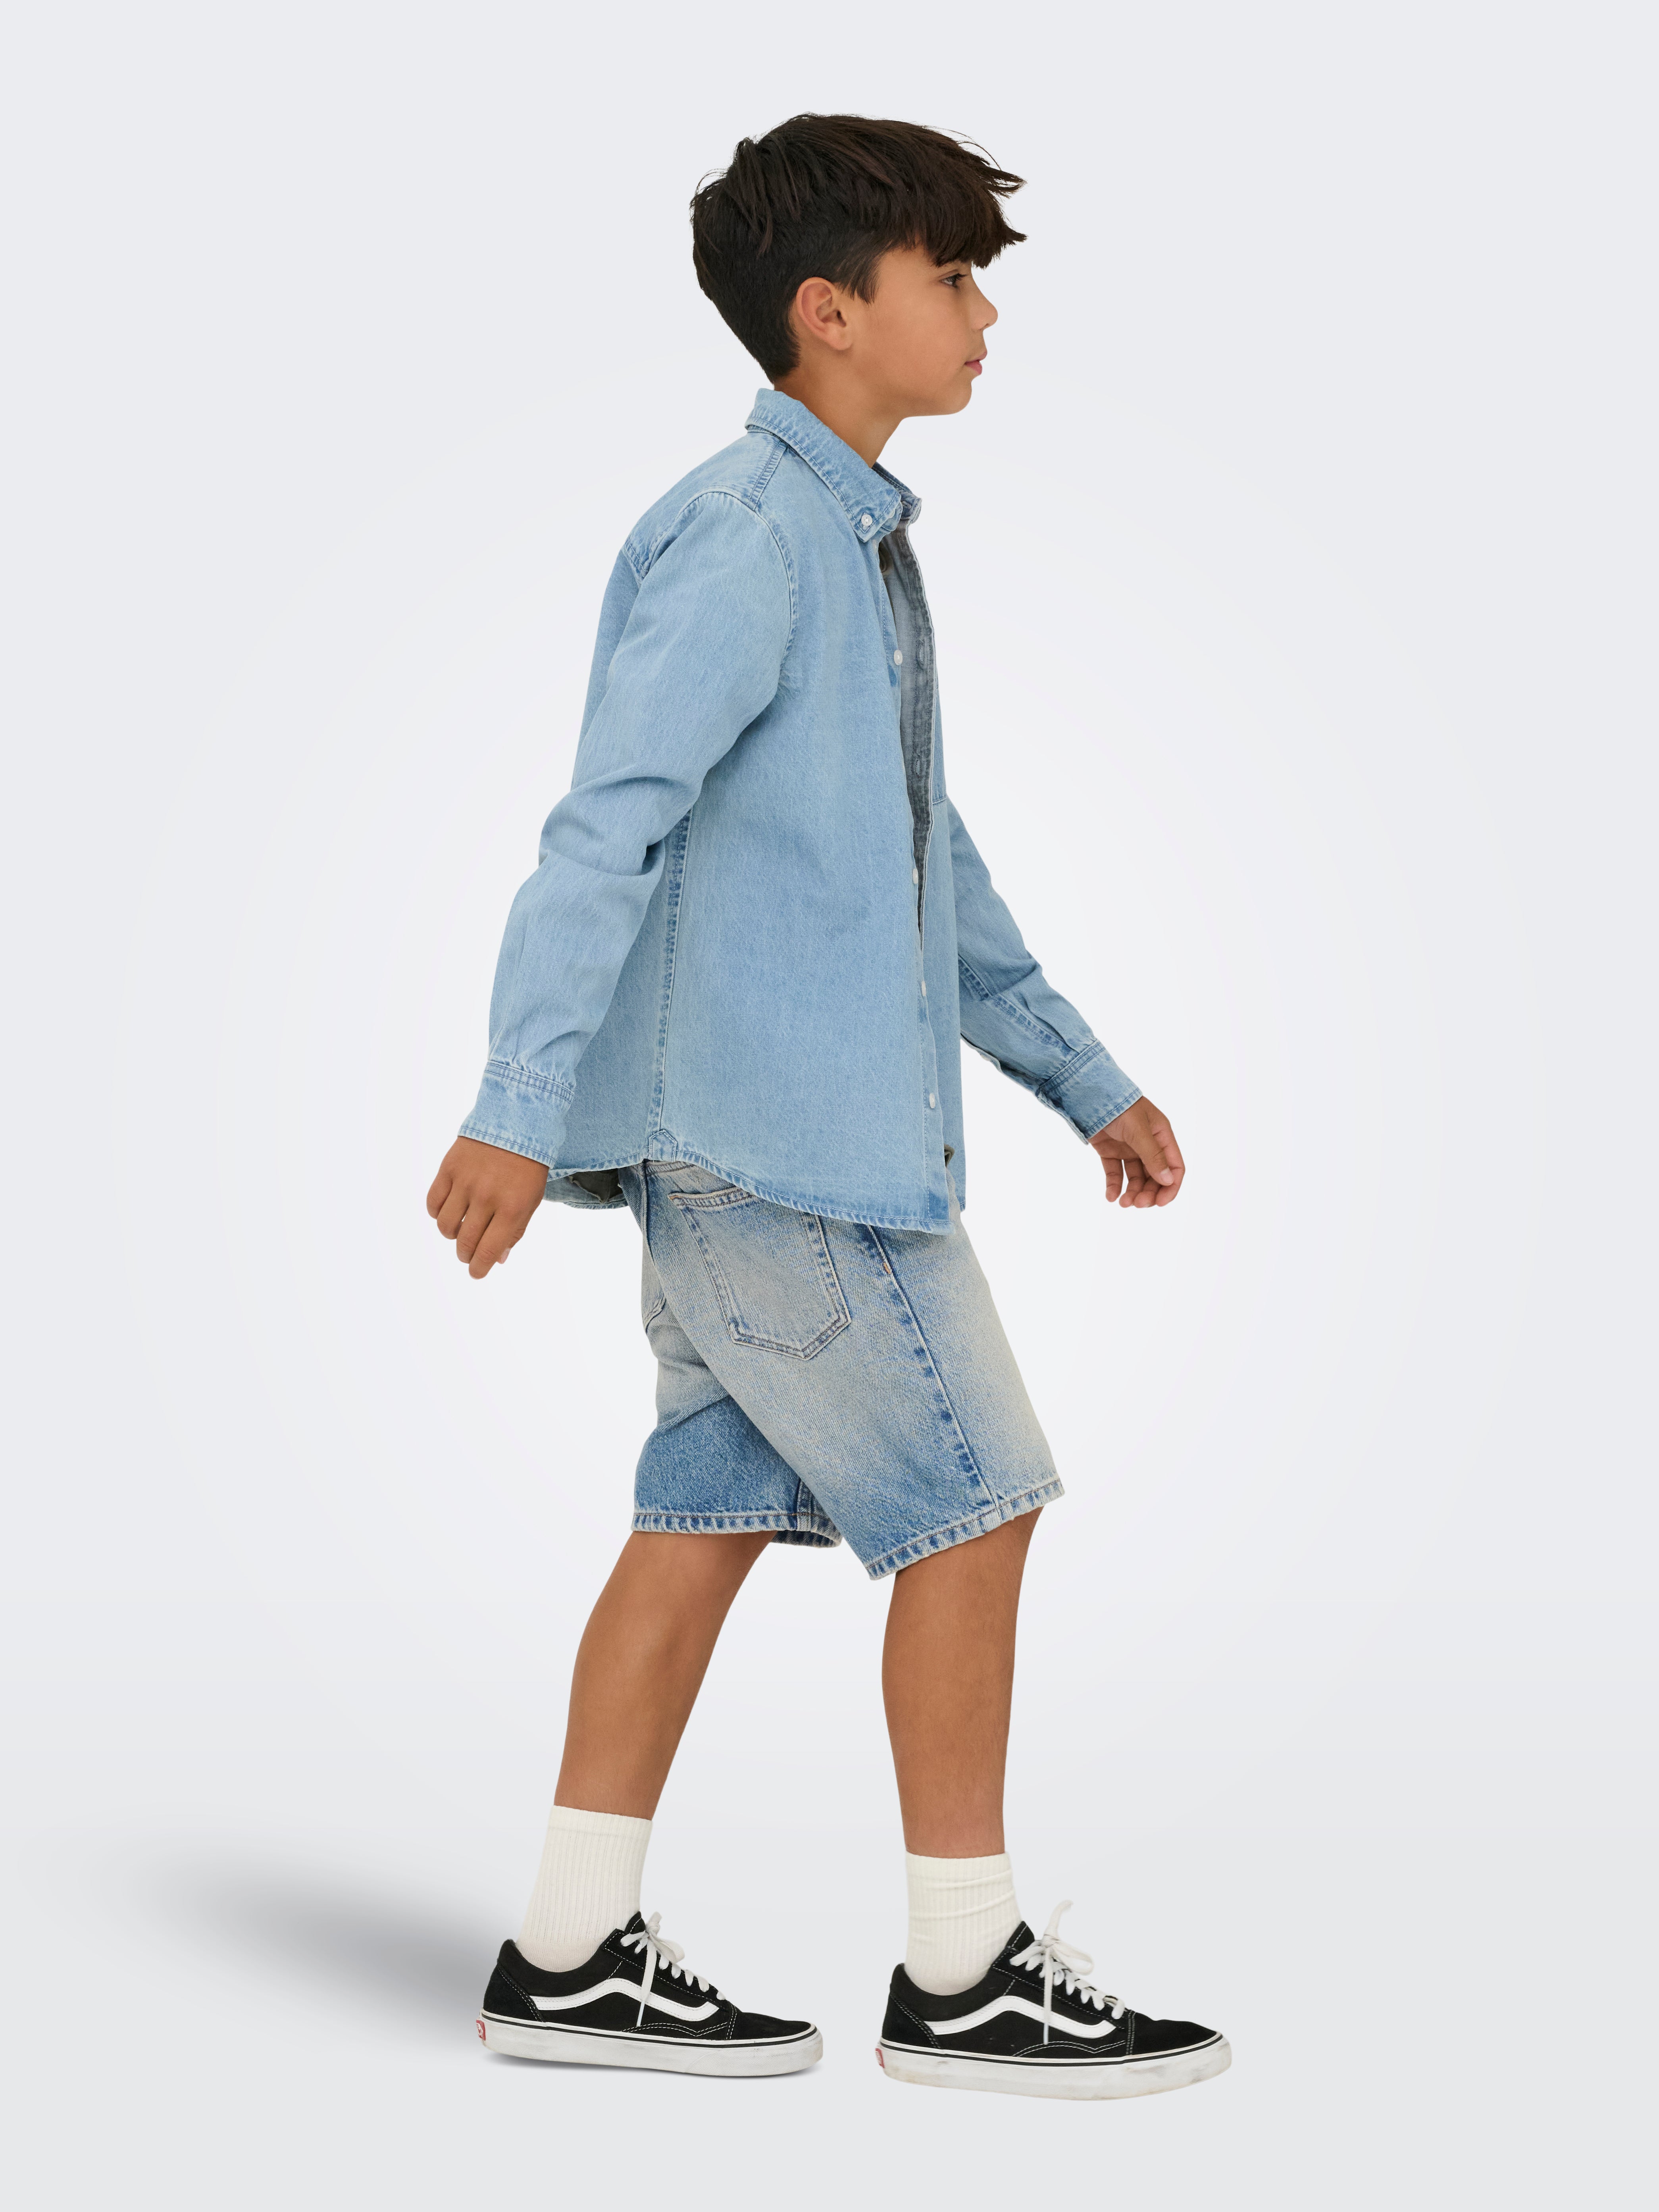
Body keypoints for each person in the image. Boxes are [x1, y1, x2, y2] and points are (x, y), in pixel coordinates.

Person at [427, 114, 1228, 2099]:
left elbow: (922, 859)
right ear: (829, 311)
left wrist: (1081, 1074)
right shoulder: (752, 535)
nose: (981, 318)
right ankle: (965, 1972)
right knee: (976, 1498)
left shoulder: (849, 549)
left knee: (696, 1520)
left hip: (761, 1143)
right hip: (783, 1154)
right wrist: (513, 1100)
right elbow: (606, 822)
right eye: (950, 279)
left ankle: (566, 1948)